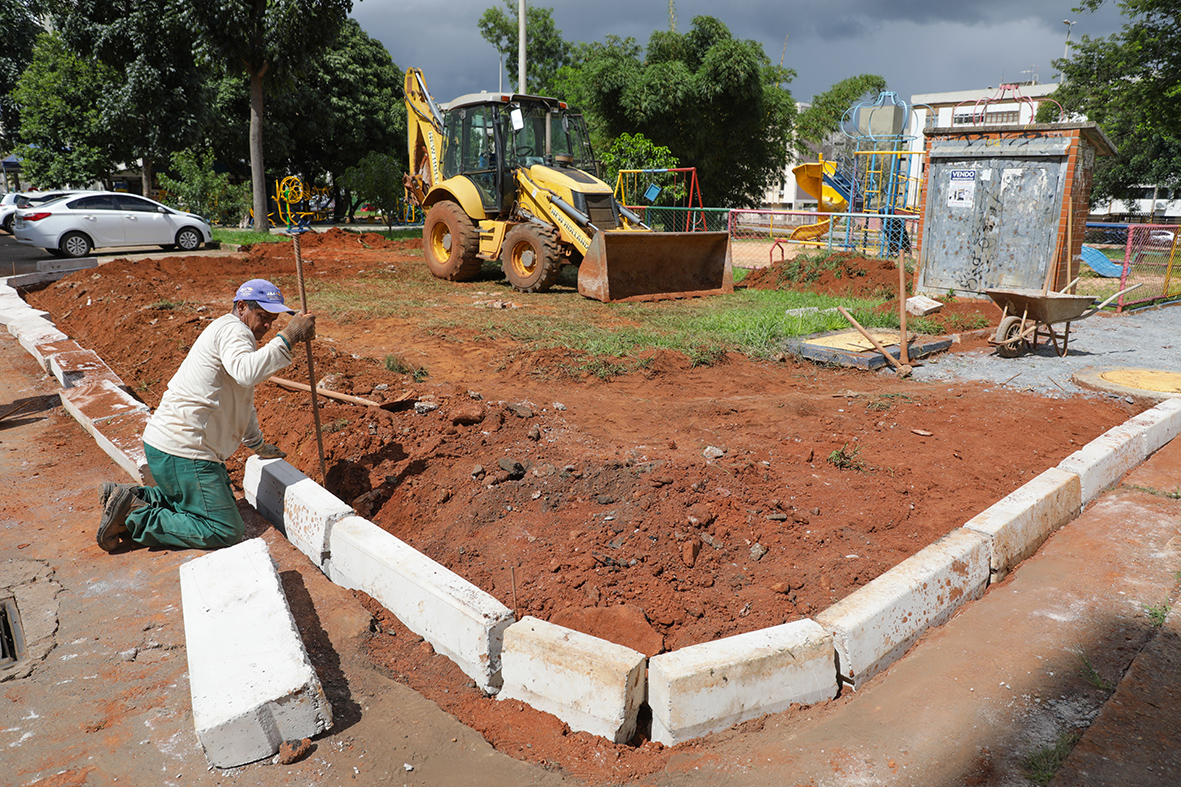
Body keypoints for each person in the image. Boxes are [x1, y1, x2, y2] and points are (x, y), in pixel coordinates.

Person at [96, 279, 316, 552]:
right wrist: (288, 337)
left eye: (273, 320)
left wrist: (257, 443)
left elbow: (241, 399)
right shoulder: (235, 331)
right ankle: (133, 516)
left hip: (170, 448)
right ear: (242, 306)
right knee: (224, 529)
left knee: (208, 501)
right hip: (184, 452)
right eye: (263, 317)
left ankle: (130, 497)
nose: (268, 326)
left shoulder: (230, 332)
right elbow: (247, 372)